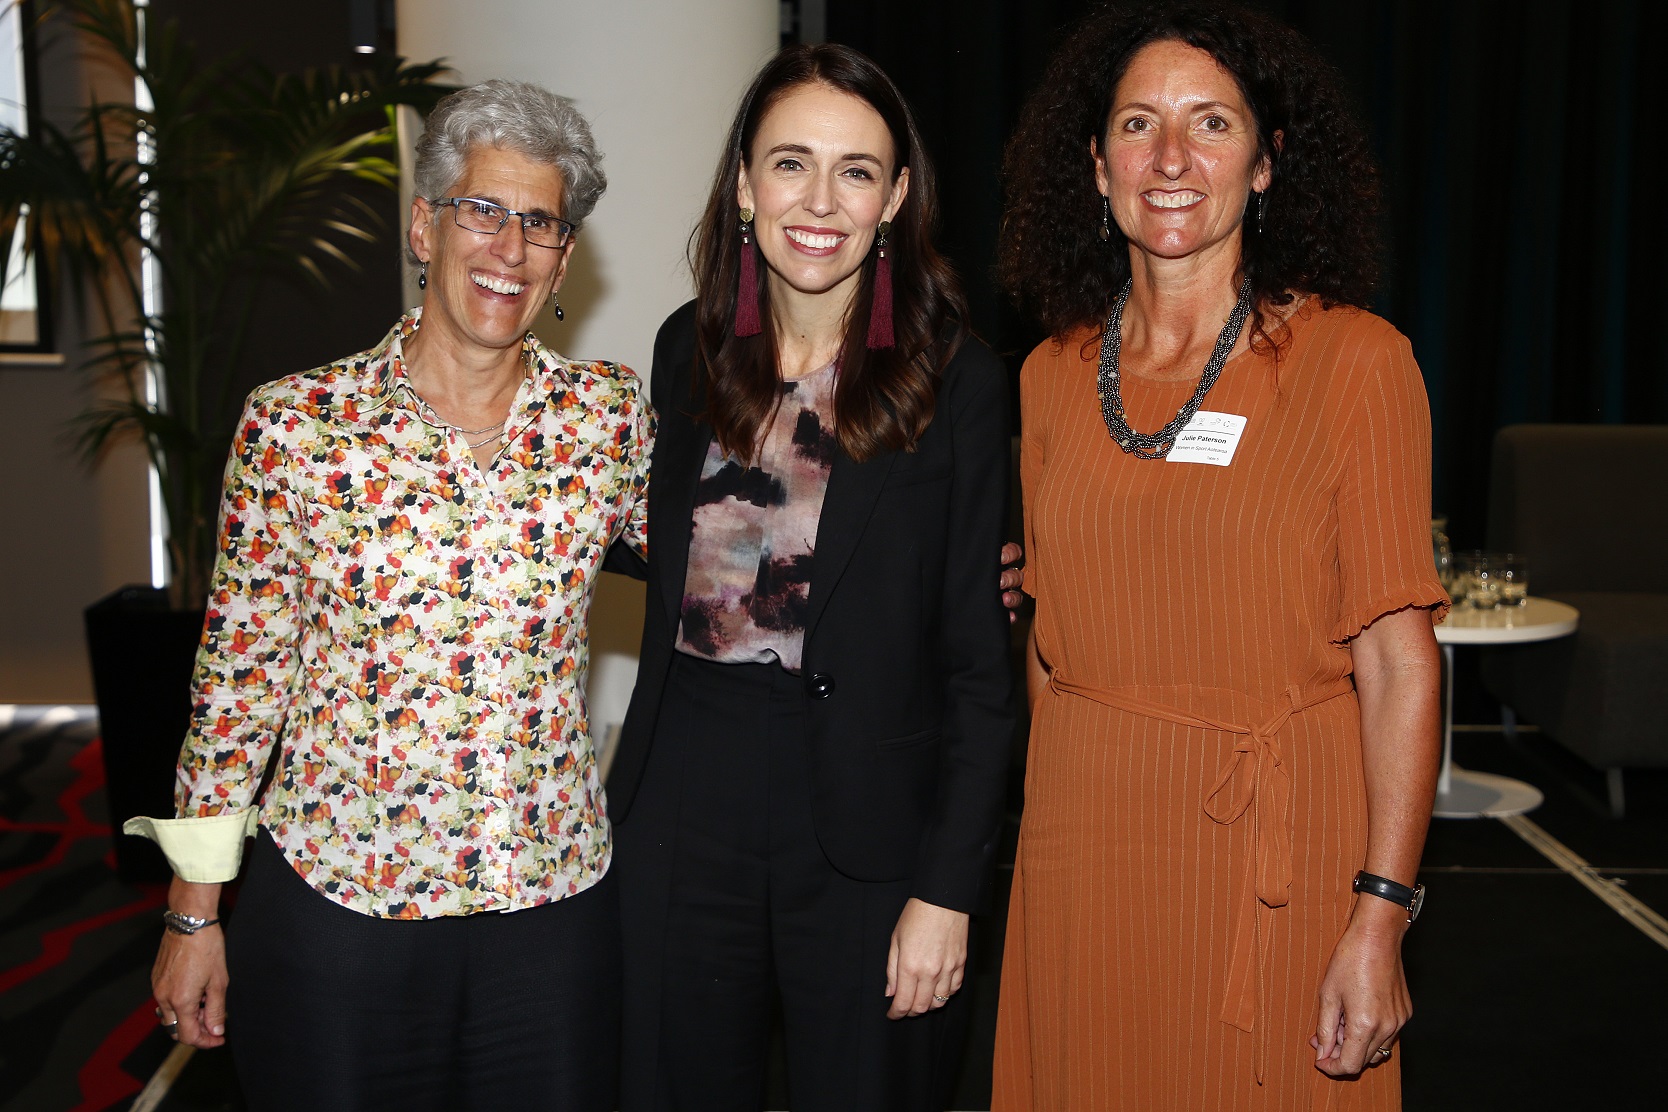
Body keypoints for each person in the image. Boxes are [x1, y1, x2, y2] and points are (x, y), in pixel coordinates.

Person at [122, 80, 646, 1112]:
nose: (509, 246)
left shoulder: (609, 420)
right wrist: (194, 913)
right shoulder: (295, 430)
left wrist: (942, 546)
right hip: (340, 916)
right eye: (482, 210)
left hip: (549, 915)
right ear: (425, 224)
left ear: (564, 258)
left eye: (540, 222)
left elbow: (729, 553)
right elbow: (238, 684)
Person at [990, 5, 1446, 1110]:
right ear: (1096, 168)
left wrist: (1381, 912)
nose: (1173, 158)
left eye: (1212, 123)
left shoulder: (1357, 363)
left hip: (1277, 871)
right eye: (1139, 124)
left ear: (1268, 163)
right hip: (1081, 850)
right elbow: (1051, 646)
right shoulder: (1050, 373)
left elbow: (1400, 660)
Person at [603, 43, 1016, 1112]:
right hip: (681, 794)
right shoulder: (681, 354)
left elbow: (980, 667)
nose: (820, 200)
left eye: (857, 170)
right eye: (791, 163)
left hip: (870, 826)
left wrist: (946, 889)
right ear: (744, 183)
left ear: (897, 198)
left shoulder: (962, 383)